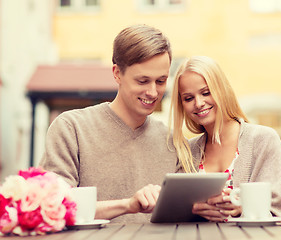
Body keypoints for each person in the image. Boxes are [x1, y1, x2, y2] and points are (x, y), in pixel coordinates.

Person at [39, 24, 178, 223]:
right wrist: (128, 205)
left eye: (161, 81)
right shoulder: (71, 128)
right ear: (117, 73)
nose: (153, 92)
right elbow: (53, 207)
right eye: (142, 81)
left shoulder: (171, 141)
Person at [169, 56, 281, 222]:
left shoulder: (264, 140)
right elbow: (176, 215)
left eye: (206, 92)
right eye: (188, 98)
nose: (198, 103)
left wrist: (242, 208)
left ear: (222, 90)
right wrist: (192, 210)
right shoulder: (187, 151)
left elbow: (278, 214)